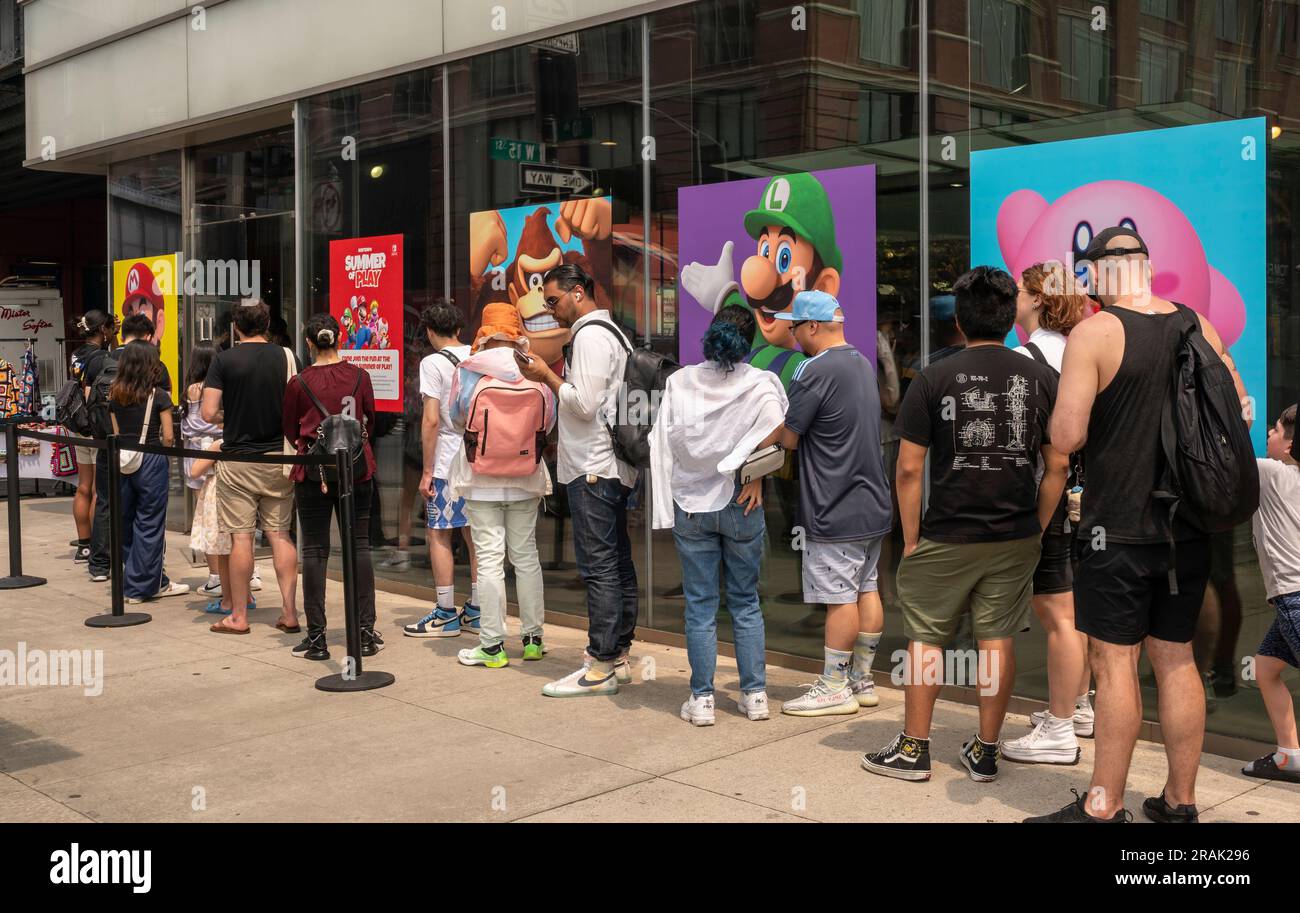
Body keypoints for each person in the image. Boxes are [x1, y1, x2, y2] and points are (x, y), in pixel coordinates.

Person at [1026, 226, 1249, 823]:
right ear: (1147, 268)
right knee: (1176, 659)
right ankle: (1180, 804)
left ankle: (1104, 808)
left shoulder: (1096, 333)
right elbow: (1241, 410)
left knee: (1114, 661)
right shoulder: (1199, 326)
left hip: (1117, 526)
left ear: (1101, 271)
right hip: (1190, 527)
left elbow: (1067, 436)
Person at [863, 267, 1067, 783]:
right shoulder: (1041, 378)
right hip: (1016, 533)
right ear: (1007, 317)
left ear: (960, 319)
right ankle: (987, 750)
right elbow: (1058, 465)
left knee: (928, 638)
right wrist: (1038, 526)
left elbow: (908, 468)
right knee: (996, 638)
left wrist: (910, 539)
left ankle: (914, 749)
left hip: (948, 531)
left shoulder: (933, 376)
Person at [651, 305, 787, 725]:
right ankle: (756, 695)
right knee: (746, 602)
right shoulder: (762, 383)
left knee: (700, 604)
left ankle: (703, 699)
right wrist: (751, 472)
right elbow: (778, 425)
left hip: (692, 506)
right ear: (750, 343)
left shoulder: (679, 381)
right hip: (741, 501)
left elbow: (663, 442)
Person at [518, 263, 639, 697]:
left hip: (593, 466)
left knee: (599, 567)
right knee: (617, 562)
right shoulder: (616, 334)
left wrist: (545, 376)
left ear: (577, 293)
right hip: (614, 466)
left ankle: (601, 662)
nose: (551, 311)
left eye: (553, 301)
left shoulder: (588, 336)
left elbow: (583, 404)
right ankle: (619, 654)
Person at [773, 291, 892, 717]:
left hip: (834, 505)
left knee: (839, 597)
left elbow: (789, 436)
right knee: (867, 588)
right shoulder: (861, 362)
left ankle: (834, 685)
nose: (791, 334)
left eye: (793, 326)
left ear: (811, 327)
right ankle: (861, 679)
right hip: (872, 502)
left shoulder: (813, 369)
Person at [1001, 261, 1095, 764]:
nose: (1014, 298)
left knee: (1057, 613)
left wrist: (1033, 521)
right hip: (1086, 497)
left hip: (1046, 498)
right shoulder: (1083, 353)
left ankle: (1059, 729)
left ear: (1037, 299)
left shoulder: (1024, 360)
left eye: (1020, 290)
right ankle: (1076, 706)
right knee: (1072, 610)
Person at [444, 303, 556, 668]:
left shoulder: (471, 371)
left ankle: (492, 646)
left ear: (484, 333)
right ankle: (533, 639)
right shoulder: (534, 369)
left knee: (490, 561)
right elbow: (548, 422)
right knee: (526, 558)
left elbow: (458, 417)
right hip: (526, 478)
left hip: (481, 479)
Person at [281, 314, 381, 660]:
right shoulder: (360, 376)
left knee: (314, 551)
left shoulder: (300, 382)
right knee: (361, 547)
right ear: (339, 338)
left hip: (314, 472)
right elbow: (371, 417)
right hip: (357, 468)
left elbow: (290, 429)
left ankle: (317, 637)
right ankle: (366, 632)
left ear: (309, 343)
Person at [201, 298, 300, 637]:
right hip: (280, 459)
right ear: (268, 323)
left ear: (236, 326)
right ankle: (289, 611)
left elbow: (207, 412)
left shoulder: (224, 360)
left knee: (241, 538)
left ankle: (238, 616)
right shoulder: (287, 356)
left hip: (239, 459)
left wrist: (232, 416)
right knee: (280, 534)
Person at [403, 302, 482, 637]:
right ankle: (477, 610)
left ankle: (446, 612)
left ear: (431, 333)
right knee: (476, 535)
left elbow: (432, 419)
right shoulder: (478, 356)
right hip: (480, 457)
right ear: (459, 330)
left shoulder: (433, 362)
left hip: (449, 459)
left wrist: (426, 471)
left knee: (439, 533)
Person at [1241, 404, 1300, 784]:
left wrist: (1238, 418)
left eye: (1275, 429)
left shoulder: (1272, 473)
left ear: (1291, 444)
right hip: (1287, 601)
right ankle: (1289, 756)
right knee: (1265, 667)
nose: (1268, 435)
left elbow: (1226, 454)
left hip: (1294, 597)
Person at [107, 343, 189, 603]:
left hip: (123, 460)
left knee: (126, 522)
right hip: (152, 459)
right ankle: (142, 586)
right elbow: (168, 437)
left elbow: (117, 433)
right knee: (150, 524)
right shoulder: (159, 396)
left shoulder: (115, 394)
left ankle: (136, 578)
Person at [86, 311, 162, 582]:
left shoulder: (100, 361)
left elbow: (88, 398)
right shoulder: (151, 361)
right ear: (148, 335)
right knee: (143, 509)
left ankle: (98, 564)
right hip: (142, 448)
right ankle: (138, 565)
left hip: (108, 442)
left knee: (106, 501)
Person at [180, 343, 243, 612]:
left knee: (207, 520)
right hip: (220, 455)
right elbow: (222, 421)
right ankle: (232, 578)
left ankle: (216, 576)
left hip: (201, 458)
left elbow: (190, 426)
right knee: (230, 520)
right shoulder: (222, 387)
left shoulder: (194, 390)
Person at [69, 310, 117, 564]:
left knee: (83, 486)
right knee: (101, 489)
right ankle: (100, 545)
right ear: (103, 330)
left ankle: (83, 546)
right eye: (110, 328)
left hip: (78, 426)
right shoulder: (102, 357)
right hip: (96, 427)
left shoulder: (76, 354)